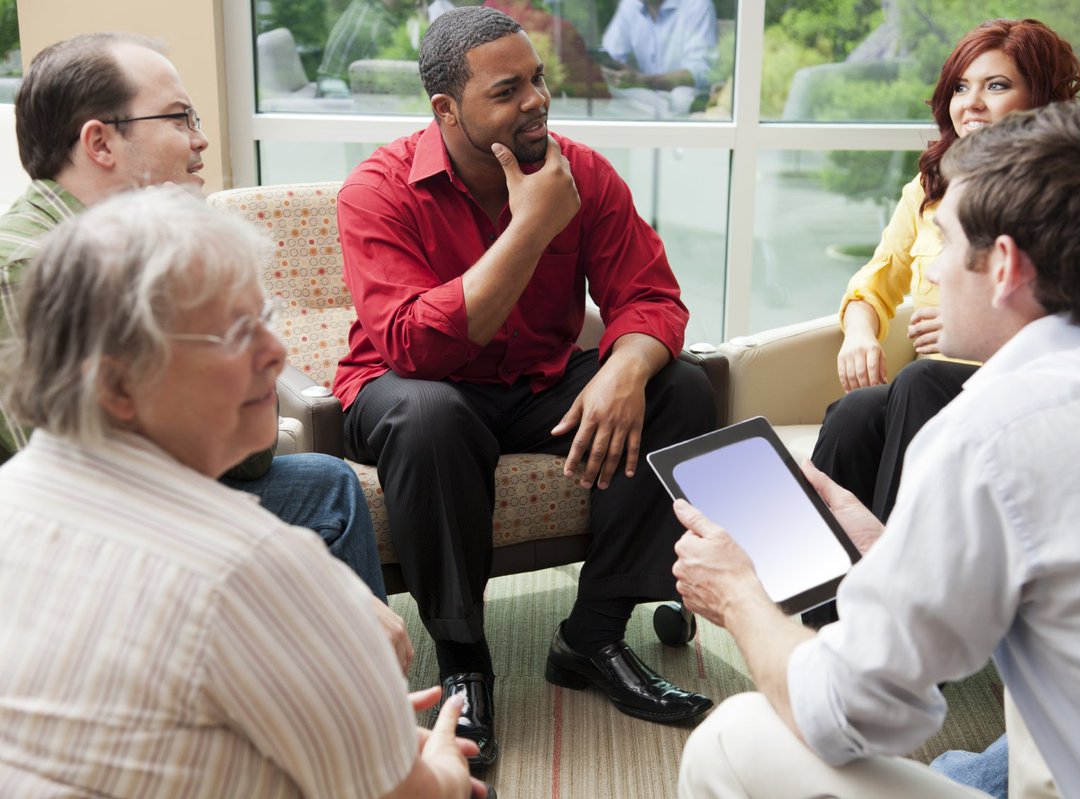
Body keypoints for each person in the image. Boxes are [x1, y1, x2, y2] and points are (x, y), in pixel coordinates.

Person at [671, 101, 1080, 798]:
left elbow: (851, 716)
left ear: (1004, 265)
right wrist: (886, 544)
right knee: (985, 760)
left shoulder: (989, 435)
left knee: (736, 739)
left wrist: (737, 594)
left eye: (945, 243)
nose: (937, 269)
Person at [0, 189, 491, 798]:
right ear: (116, 382)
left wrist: (364, 738)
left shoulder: (13, 499)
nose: (278, 352)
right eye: (234, 332)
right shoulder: (247, 566)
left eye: (266, 316)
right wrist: (441, 766)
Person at [335, 5, 717, 767]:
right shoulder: (377, 190)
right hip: (408, 387)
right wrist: (531, 227)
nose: (537, 100)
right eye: (508, 91)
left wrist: (625, 369)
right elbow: (413, 343)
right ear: (447, 109)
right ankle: (464, 659)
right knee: (429, 415)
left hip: (537, 380)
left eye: (537, 80)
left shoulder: (582, 171)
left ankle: (593, 634)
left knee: (684, 387)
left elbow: (650, 297)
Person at [0, 32, 390, 606]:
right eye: (180, 118)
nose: (201, 139)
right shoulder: (30, 270)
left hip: (148, 493)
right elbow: (74, 495)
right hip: (85, 544)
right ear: (100, 143)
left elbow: (248, 453)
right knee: (322, 498)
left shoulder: (147, 251)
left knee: (325, 486)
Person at [811, 19, 1080, 523]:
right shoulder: (929, 187)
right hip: (929, 383)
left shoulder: (1068, 192)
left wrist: (981, 335)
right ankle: (814, 592)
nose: (971, 103)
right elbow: (877, 278)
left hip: (1022, 384)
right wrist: (859, 335)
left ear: (1040, 98)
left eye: (996, 86)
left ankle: (900, 583)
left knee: (921, 379)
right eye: (961, 86)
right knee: (854, 413)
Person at [599, 0, 717, 114]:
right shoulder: (630, 4)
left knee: (682, 97)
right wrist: (612, 73)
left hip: (684, 97)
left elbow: (700, 73)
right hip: (645, 96)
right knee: (603, 93)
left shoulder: (697, 4)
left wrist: (640, 80)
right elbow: (610, 54)